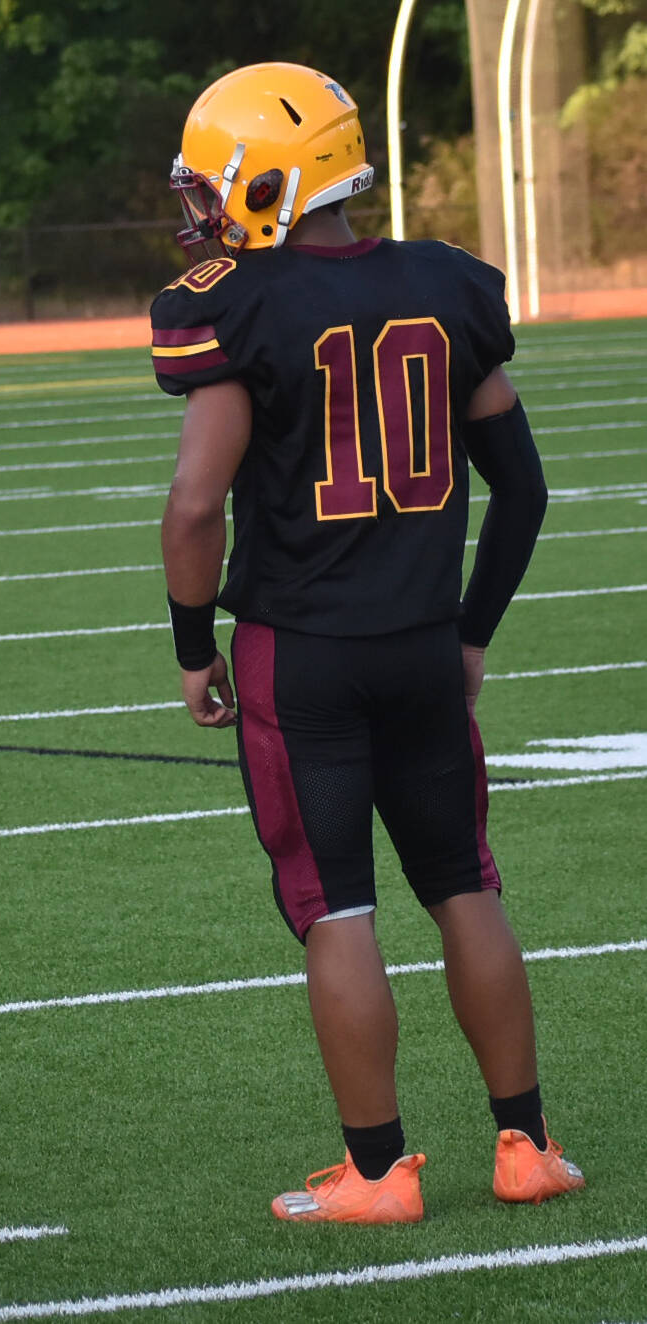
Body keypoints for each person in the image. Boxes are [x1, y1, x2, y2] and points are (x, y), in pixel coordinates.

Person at [152, 62, 585, 1223]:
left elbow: (197, 506)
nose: (198, 204)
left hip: (301, 651)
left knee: (336, 904)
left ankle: (379, 1172)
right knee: (464, 885)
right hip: (419, 641)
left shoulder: (234, 302)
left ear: (264, 179)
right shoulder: (445, 283)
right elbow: (525, 488)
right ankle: (525, 1147)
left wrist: (194, 644)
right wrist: (472, 631)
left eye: (211, 182)